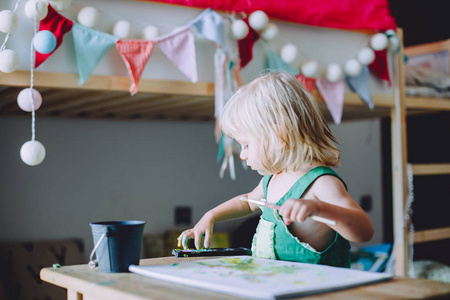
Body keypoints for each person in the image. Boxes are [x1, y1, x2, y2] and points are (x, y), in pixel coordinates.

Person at [177, 71, 374, 267]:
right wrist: (211, 216)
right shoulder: (272, 179)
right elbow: (247, 202)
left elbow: (364, 231)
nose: (242, 154)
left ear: (280, 137)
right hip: (276, 282)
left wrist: (319, 208)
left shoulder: (321, 183)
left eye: (245, 145)